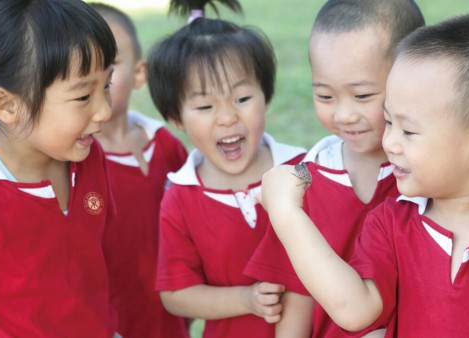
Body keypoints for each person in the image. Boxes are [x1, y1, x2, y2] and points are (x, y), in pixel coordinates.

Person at [258, 13, 469, 337]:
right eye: (389, 122)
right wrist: (287, 212)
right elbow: (354, 311)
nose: (389, 142)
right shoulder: (392, 223)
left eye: (408, 131)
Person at [244, 0, 424, 337]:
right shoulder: (303, 181)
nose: (343, 115)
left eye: (362, 95)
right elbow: (297, 292)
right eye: (325, 96)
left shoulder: (432, 176)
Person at [145, 0, 307, 337]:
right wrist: (247, 299)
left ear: (267, 96)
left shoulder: (303, 170)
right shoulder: (181, 197)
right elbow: (176, 294)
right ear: (176, 118)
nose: (227, 117)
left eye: (243, 99)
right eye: (205, 106)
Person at [0, 0, 119, 336]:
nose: (105, 112)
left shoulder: (88, 158)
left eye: (107, 85)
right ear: (7, 105)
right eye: (83, 96)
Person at [89, 3, 190, 338]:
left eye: (111, 63)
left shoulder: (165, 146)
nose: (98, 78)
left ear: (138, 73)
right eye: (85, 66)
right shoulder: (71, 161)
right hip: (109, 320)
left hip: (171, 312)